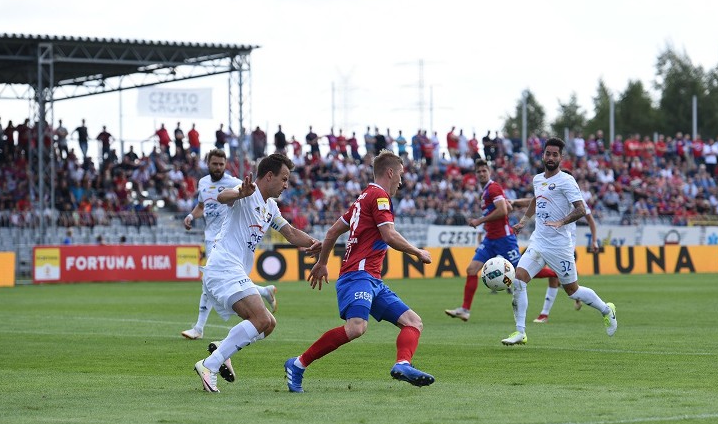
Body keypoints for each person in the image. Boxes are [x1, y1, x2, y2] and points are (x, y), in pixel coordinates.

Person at [283, 150, 435, 393]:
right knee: (356, 327)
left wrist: (322, 262)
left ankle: (403, 364)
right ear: (390, 172)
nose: (402, 181)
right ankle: (298, 364)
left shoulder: (361, 199)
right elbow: (389, 235)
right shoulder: (379, 197)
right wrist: (417, 252)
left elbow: (332, 233)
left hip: (371, 279)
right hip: (358, 276)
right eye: (401, 175)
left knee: (413, 322)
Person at [191, 152, 321, 393]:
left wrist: (316, 242)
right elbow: (222, 196)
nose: (286, 185)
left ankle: (223, 348)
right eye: (283, 179)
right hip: (223, 268)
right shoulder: (246, 192)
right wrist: (240, 193)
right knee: (260, 319)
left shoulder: (270, 207)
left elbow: (291, 233)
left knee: (269, 324)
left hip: (234, 270)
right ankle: (210, 364)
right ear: (269, 176)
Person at [504, 137, 617, 346]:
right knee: (518, 280)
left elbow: (581, 210)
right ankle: (520, 331)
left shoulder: (567, 180)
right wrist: (523, 222)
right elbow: (536, 202)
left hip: (560, 246)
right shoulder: (537, 179)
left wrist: (562, 221)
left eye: (555, 154)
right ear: (543, 155)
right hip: (538, 242)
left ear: (561, 158)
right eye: (548, 153)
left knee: (572, 291)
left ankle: (606, 309)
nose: (551, 157)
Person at [181, 148, 279, 341]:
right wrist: (192, 215)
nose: (218, 167)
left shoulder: (234, 183)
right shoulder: (203, 183)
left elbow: (245, 198)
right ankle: (264, 291)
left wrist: (241, 194)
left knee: (208, 281)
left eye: (221, 164)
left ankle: (199, 328)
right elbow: (202, 206)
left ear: (226, 164)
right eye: (214, 163)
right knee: (209, 281)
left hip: (226, 239)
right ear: (207, 163)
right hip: (211, 237)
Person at [444, 158, 518, 322]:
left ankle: (555, 276)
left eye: (484, 170)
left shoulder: (493, 188)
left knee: (523, 272)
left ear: (489, 172)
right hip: (490, 239)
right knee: (471, 270)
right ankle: (465, 310)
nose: (481, 173)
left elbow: (502, 211)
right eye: (479, 171)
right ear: (476, 174)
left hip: (505, 239)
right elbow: (505, 207)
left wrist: (479, 220)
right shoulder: (486, 191)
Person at [509, 196, 599, 322]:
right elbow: (534, 200)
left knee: (563, 283)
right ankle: (543, 315)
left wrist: (594, 241)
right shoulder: (549, 191)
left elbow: (589, 219)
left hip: (564, 246)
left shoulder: (575, 198)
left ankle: (547, 312)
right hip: (544, 243)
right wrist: (516, 202)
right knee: (549, 277)